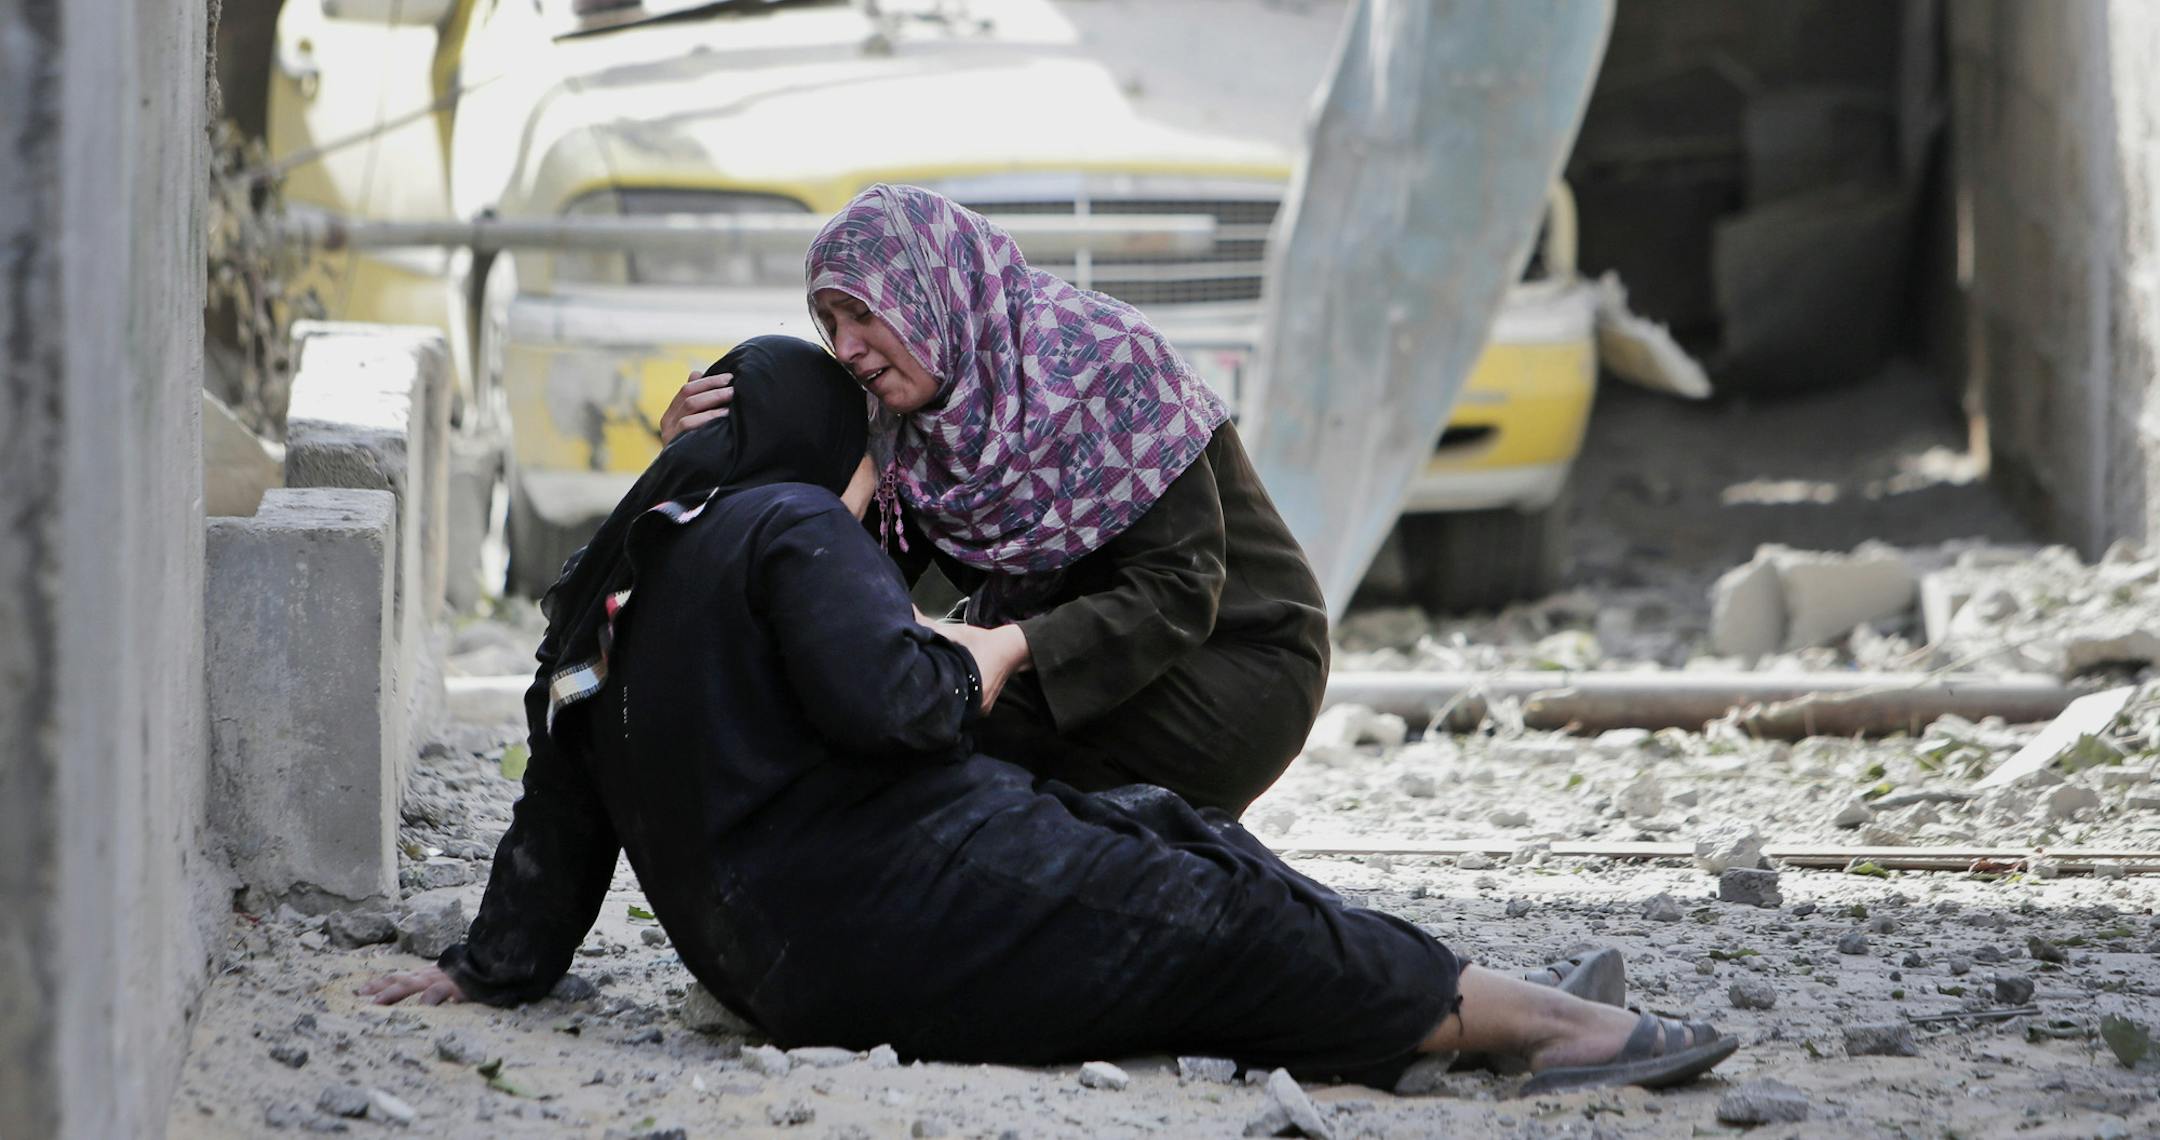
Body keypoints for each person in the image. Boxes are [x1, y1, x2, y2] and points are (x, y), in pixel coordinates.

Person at [366, 335, 1736, 1097]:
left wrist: (491, 968)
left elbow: (560, 798)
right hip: (885, 915)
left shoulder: (630, 574)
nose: (875, 504)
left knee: (1155, 831)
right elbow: (896, 707)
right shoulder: (790, 526)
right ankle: (1549, 1034)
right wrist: (977, 653)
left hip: (770, 958)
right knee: (1214, 912)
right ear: (819, 455)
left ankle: (1491, 993)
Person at [659, 184, 1327, 816]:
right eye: (830, 320)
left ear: (933, 294)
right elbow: (848, 597)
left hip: (1234, 668)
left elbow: (1179, 590)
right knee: (852, 698)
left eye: (863, 313)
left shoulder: (1108, 361)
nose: (846, 349)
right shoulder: (915, 419)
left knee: (920, 716)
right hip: (1070, 669)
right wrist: (698, 458)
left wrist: (1005, 648)